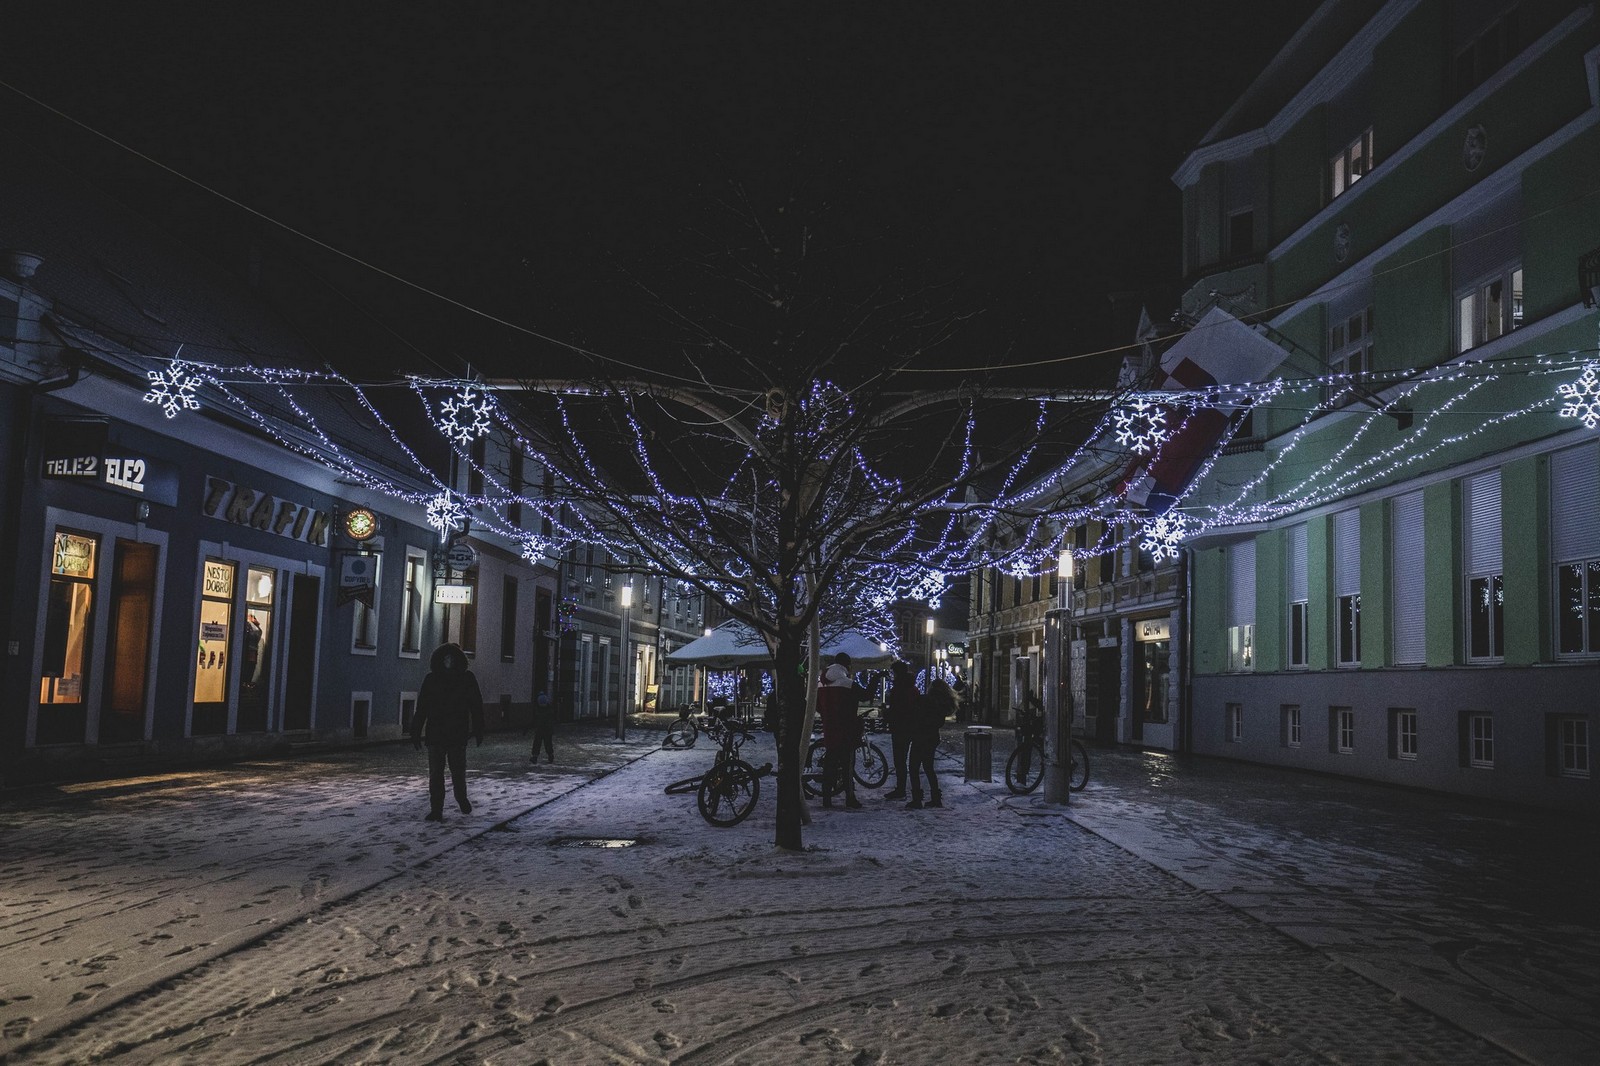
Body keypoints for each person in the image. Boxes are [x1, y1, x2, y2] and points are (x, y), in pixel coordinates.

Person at [411, 642, 485, 821]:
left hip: (456, 734)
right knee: (436, 773)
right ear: (440, 660)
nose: (448, 661)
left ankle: (461, 798)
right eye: (445, 658)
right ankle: (437, 809)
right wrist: (415, 730)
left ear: (457, 660)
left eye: (451, 658)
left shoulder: (466, 678)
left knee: (457, 771)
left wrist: (478, 729)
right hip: (437, 734)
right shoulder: (432, 679)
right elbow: (422, 707)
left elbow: (476, 706)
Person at [817, 652, 863, 809]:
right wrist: (877, 679)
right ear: (846, 666)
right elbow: (866, 695)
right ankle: (850, 798)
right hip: (846, 731)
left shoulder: (821, 683)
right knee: (847, 766)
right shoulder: (847, 683)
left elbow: (816, 706)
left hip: (829, 730)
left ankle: (826, 799)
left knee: (829, 766)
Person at [908, 675, 957, 809]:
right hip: (932, 738)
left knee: (913, 767)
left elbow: (914, 715)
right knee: (929, 768)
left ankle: (917, 798)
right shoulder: (941, 705)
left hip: (920, 737)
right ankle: (935, 797)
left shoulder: (924, 700)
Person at [881, 661, 917, 800]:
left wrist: (886, 713)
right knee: (906, 760)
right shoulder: (912, 687)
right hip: (911, 726)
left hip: (899, 727)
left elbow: (897, 710)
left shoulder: (898, 689)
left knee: (900, 760)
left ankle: (901, 789)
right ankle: (907, 788)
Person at [531, 690, 556, 763]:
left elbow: (535, 718)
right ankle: (550, 755)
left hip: (540, 728)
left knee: (537, 743)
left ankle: (535, 756)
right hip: (548, 728)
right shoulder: (549, 708)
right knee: (548, 742)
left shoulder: (538, 708)